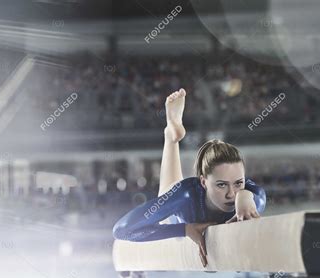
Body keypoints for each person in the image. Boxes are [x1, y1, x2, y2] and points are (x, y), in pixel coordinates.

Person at [113, 88, 267, 267]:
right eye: (221, 185)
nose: (231, 194)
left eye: (238, 183)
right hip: (176, 214)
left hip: (186, 202)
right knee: (169, 190)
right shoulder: (187, 194)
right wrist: (184, 229)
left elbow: (257, 196)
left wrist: (246, 196)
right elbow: (122, 231)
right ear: (203, 182)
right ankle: (170, 136)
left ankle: (171, 136)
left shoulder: (250, 195)